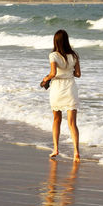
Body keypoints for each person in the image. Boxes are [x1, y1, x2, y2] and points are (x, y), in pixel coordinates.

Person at [42, 30, 81, 162]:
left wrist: (45, 79)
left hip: (58, 88)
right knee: (72, 123)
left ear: (56, 41)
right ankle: (76, 152)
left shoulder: (53, 55)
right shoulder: (74, 55)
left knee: (56, 120)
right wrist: (68, 73)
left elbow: (53, 73)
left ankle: (55, 149)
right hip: (70, 87)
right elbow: (78, 74)